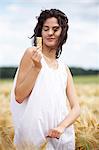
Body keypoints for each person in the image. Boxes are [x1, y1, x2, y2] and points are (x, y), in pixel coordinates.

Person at [10, 9, 80, 150]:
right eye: (45, 29)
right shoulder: (31, 54)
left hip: (62, 137)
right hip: (34, 137)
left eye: (55, 29)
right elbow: (19, 96)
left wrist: (61, 127)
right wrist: (36, 68)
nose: (50, 33)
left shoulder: (63, 68)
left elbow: (76, 108)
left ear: (63, 32)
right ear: (40, 32)